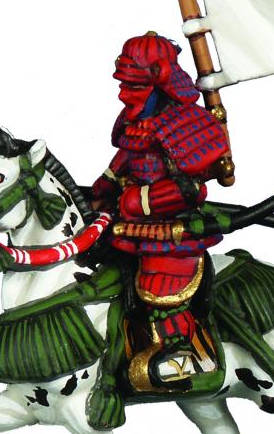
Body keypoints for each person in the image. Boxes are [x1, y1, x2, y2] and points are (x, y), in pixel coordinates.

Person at [91, 31, 229, 392]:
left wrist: (136, 201)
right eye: (123, 84)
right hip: (127, 227)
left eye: (134, 86)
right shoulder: (136, 120)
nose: (124, 94)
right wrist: (102, 187)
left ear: (158, 82)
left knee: (160, 287)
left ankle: (186, 356)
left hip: (170, 229)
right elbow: (127, 156)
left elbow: (190, 189)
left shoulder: (186, 123)